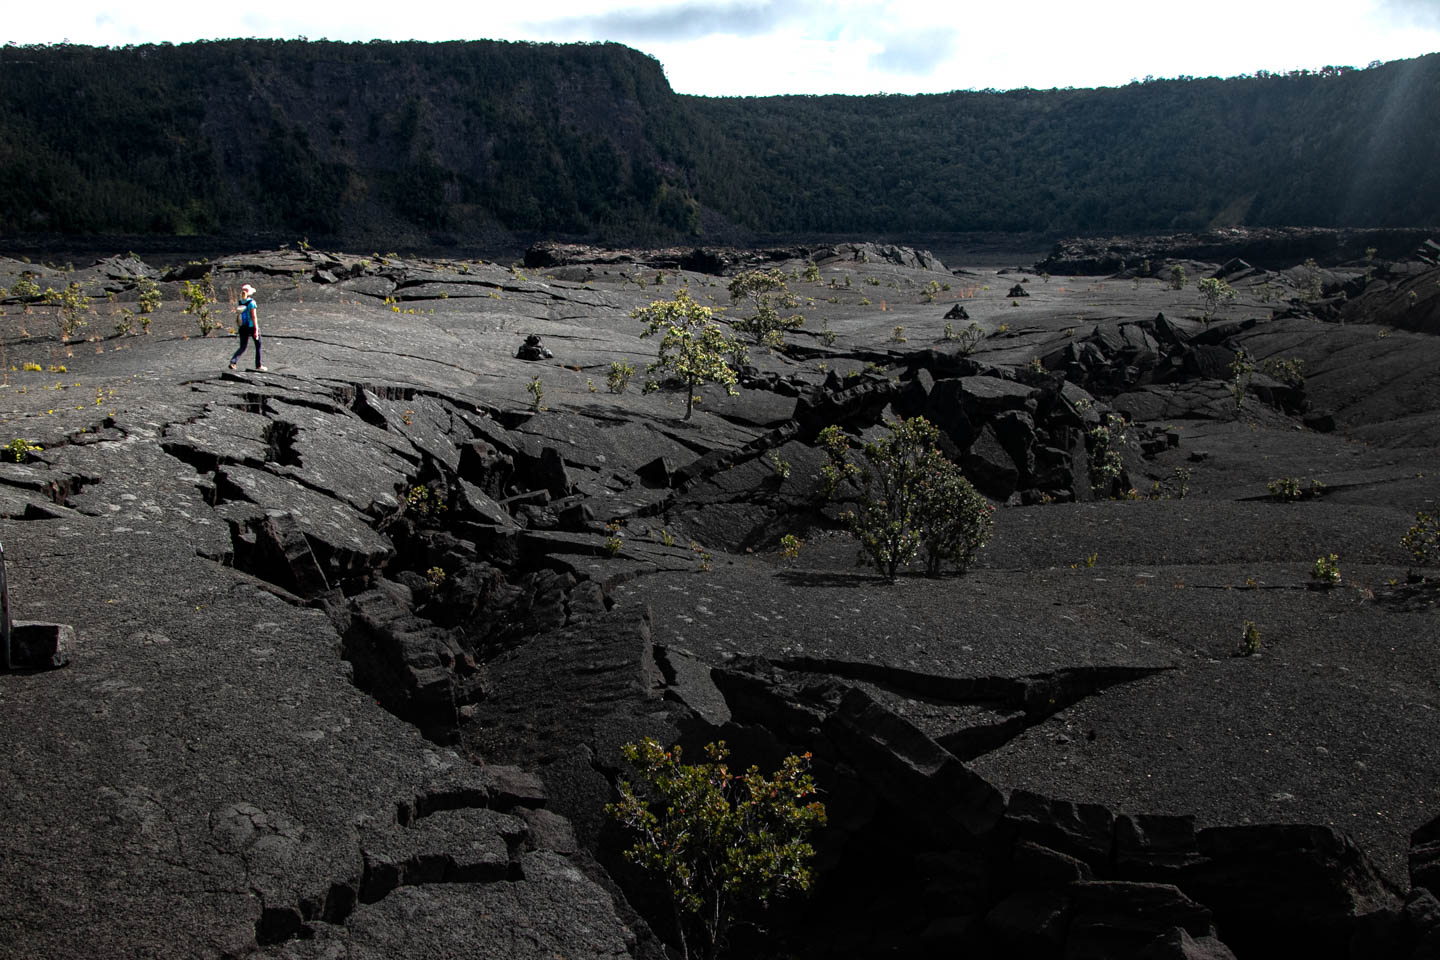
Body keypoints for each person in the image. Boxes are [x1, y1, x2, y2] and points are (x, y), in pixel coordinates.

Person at [229, 283, 265, 371]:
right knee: (258, 345)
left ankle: (233, 361)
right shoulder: (252, 303)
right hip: (251, 326)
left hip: (243, 327)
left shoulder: (241, 302)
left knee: (243, 346)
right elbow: (254, 317)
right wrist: (256, 330)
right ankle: (258, 365)